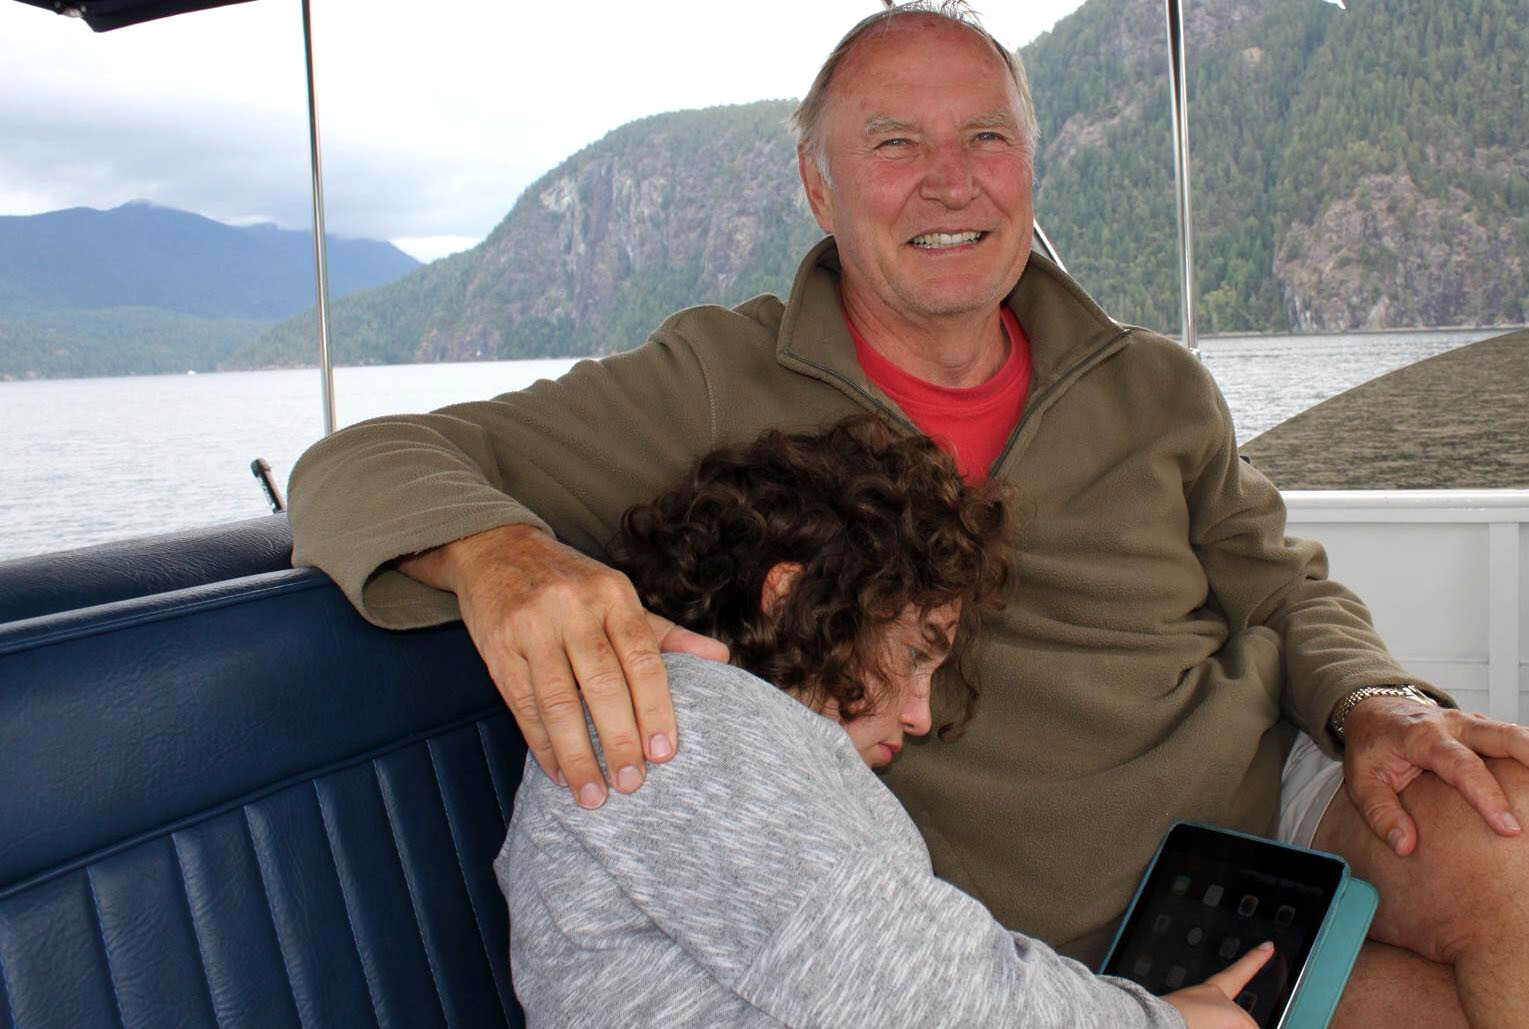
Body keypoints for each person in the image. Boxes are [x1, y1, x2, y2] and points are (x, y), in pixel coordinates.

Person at [289, 4, 1529, 1024]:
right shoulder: (711, 384)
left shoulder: (1150, 380)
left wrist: (1374, 703)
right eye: (892, 144)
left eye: (984, 137)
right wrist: (501, 557)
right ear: (817, 186)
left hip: (1253, 828)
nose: (949, 181)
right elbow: (359, 462)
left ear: (1029, 169)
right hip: (1019, 942)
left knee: (1510, 845)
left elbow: (1277, 586)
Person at [501, 416, 1271, 1027]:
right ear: (788, 599)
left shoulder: (730, 732)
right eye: (913, 654)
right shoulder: (681, 731)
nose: (920, 713)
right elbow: (926, 999)